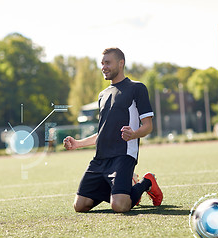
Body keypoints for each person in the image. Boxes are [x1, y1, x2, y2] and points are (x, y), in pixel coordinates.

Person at [63, 48, 163, 213]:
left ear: (121, 63)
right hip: (100, 159)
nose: (103, 67)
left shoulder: (137, 88)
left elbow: (148, 126)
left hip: (123, 157)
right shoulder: (103, 95)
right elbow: (102, 132)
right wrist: (77, 144)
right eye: (102, 63)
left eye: (108, 62)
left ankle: (146, 182)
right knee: (80, 206)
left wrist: (134, 134)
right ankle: (125, 188)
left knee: (119, 206)